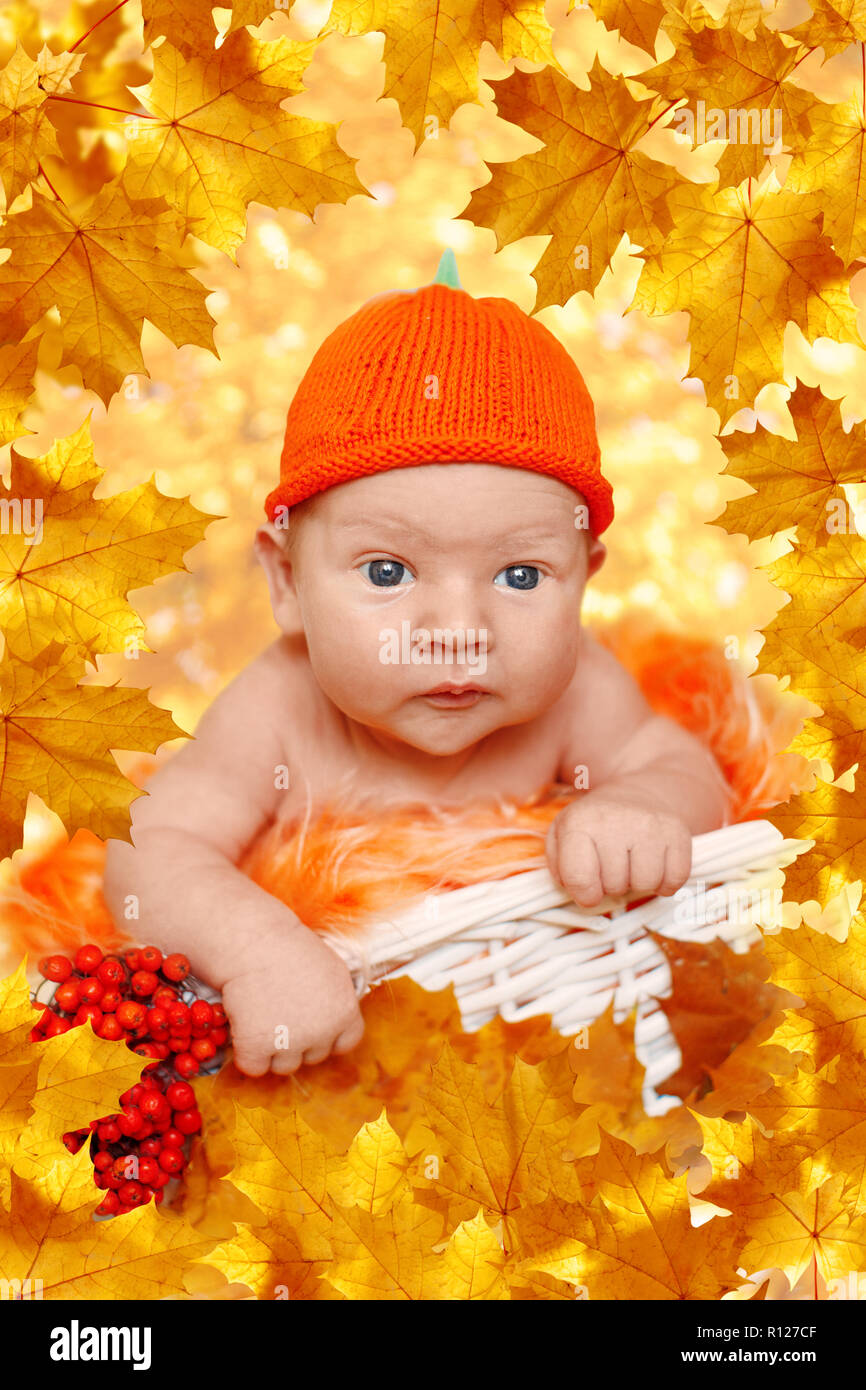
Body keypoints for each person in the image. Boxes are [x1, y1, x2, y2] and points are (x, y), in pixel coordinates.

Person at [103, 250, 730, 1078]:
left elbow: (686, 770)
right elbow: (146, 846)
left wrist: (642, 804)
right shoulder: (278, 708)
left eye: (520, 576)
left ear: (584, 581)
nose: (459, 631)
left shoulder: (580, 690)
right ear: (287, 581)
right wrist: (260, 950)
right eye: (388, 572)